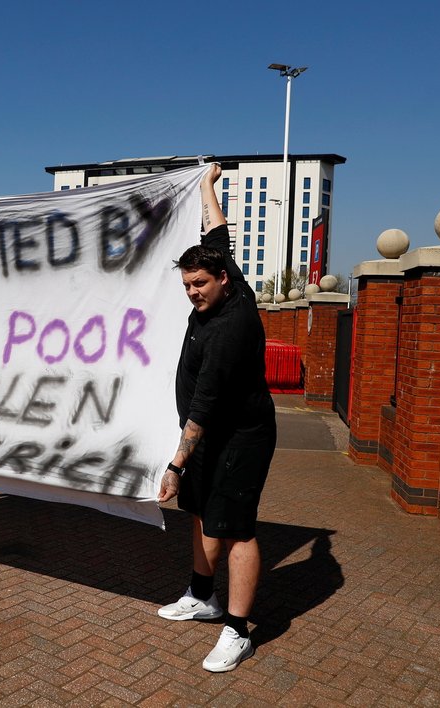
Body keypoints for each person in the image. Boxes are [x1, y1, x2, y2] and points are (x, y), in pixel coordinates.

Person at [156, 163, 277, 673]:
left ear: (222, 280)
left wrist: (176, 464)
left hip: (240, 438)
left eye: (200, 284)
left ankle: (237, 630)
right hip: (211, 435)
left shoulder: (232, 326)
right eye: (187, 285)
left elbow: (205, 404)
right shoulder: (231, 281)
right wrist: (208, 186)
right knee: (201, 512)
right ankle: (202, 595)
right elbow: (218, 234)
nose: (193, 293)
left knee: (237, 529)